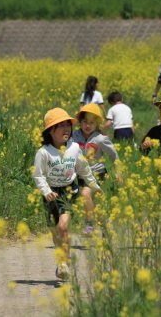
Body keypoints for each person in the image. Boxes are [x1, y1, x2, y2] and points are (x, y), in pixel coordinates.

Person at [33, 108, 101, 280]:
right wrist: (47, 191)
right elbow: (38, 175)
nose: (66, 129)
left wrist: (94, 185)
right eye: (61, 126)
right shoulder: (43, 152)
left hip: (69, 191)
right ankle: (62, 259)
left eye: (68, 125)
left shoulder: (74, 148)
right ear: (51, 131)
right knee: (56, 233)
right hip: (50, 193)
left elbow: (84, 169)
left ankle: (64, 262)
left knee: (63, 227)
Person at [73, 103, 119, 235]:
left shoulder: (101, 139)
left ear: (97, 124)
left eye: (92, 123)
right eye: (85, 122)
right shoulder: (74, 136)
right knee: (96, 205)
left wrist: (118, 172)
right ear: (80, 122)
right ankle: (106, 227)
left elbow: (114, 156)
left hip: (98, 173)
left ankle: (89, 225)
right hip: (82, 175)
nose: (88, 125)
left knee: (85, 194)